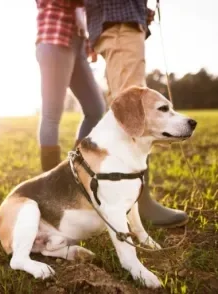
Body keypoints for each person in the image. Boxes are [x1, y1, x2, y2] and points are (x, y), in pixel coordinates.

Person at [83, 0, 188, 228]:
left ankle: (119, 194)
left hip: (121, 21)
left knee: (125, 106)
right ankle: (140, 203)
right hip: (120, 20)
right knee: (131, 110)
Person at [35, 0, 105, 172]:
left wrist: (91, 43)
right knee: (52, 114)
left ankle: (74, 169)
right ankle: (51, 180)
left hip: (78, 44)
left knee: (95, 109)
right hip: (54, 39)